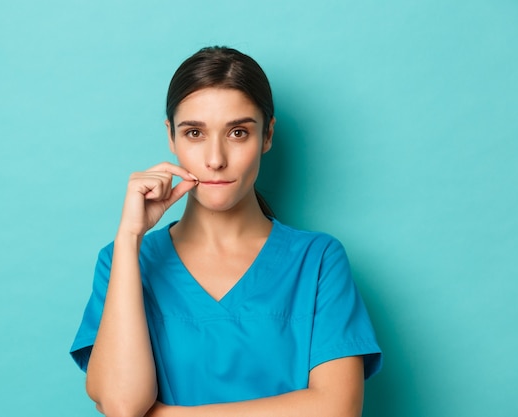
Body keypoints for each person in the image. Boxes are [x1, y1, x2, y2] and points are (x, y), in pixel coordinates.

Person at [70, 46, 382, 417]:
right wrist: (128, 239)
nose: (215, 159)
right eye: (195, 133)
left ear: (267, 136)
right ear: (171, 137)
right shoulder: (123, 262)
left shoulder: (318, 261)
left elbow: (336, 409)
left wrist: (165, 414)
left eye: (237, 132)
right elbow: (122, 404)